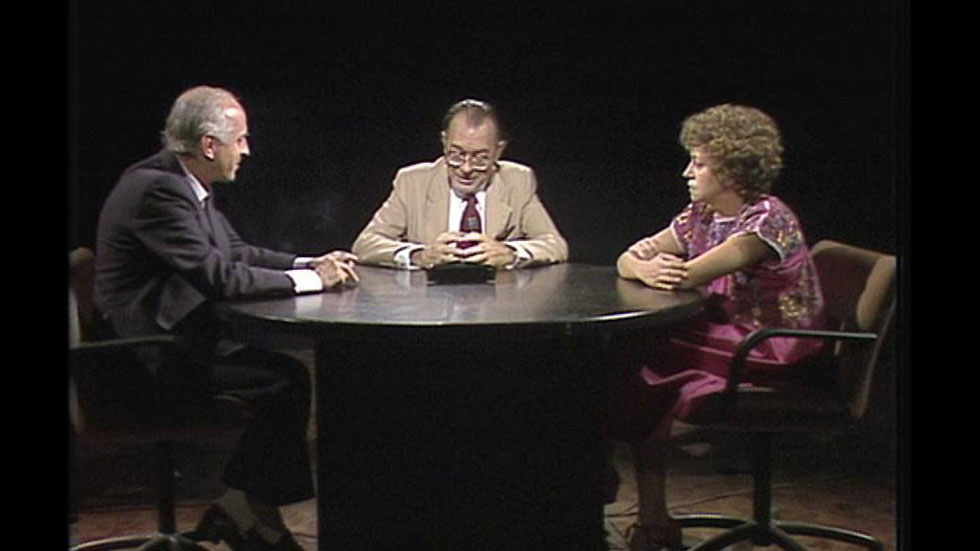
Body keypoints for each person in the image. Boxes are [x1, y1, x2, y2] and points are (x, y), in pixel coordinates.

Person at [94, 85, 358, 551]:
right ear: (209, 145)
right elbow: (218, 277)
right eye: (240, 139)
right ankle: (251, 511)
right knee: (284, 381)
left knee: (285, 377)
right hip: (144, 360)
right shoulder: (157, 190)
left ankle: (243, 507)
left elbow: (235, 251)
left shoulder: (184, 183)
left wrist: (307, 263)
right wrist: (313, 282)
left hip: (176, 342)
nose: (247, 149)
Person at [612, 104, 826, 550]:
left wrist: (650, 269)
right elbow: (628, 257)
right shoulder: (702, 213)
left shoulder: (767, 221)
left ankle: (649, 519)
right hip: (730, 333)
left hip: (772, 347)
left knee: (641, 360)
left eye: (699, 163)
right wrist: (642, 267)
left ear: (730, 171)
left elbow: (685, 276)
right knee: (634, 351)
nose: (687, 172)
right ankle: (651, 516)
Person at [351, 98, 568, 269]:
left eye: (480, 158)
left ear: (499, 150)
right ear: (444, 142)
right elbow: (366, 244)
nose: (466, 168)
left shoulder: (518, 181)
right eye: (456, 154)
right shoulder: (412, 182)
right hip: (429, 303)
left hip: (497, 303)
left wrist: (510, 253)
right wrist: (418, 255)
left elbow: (555, 244)